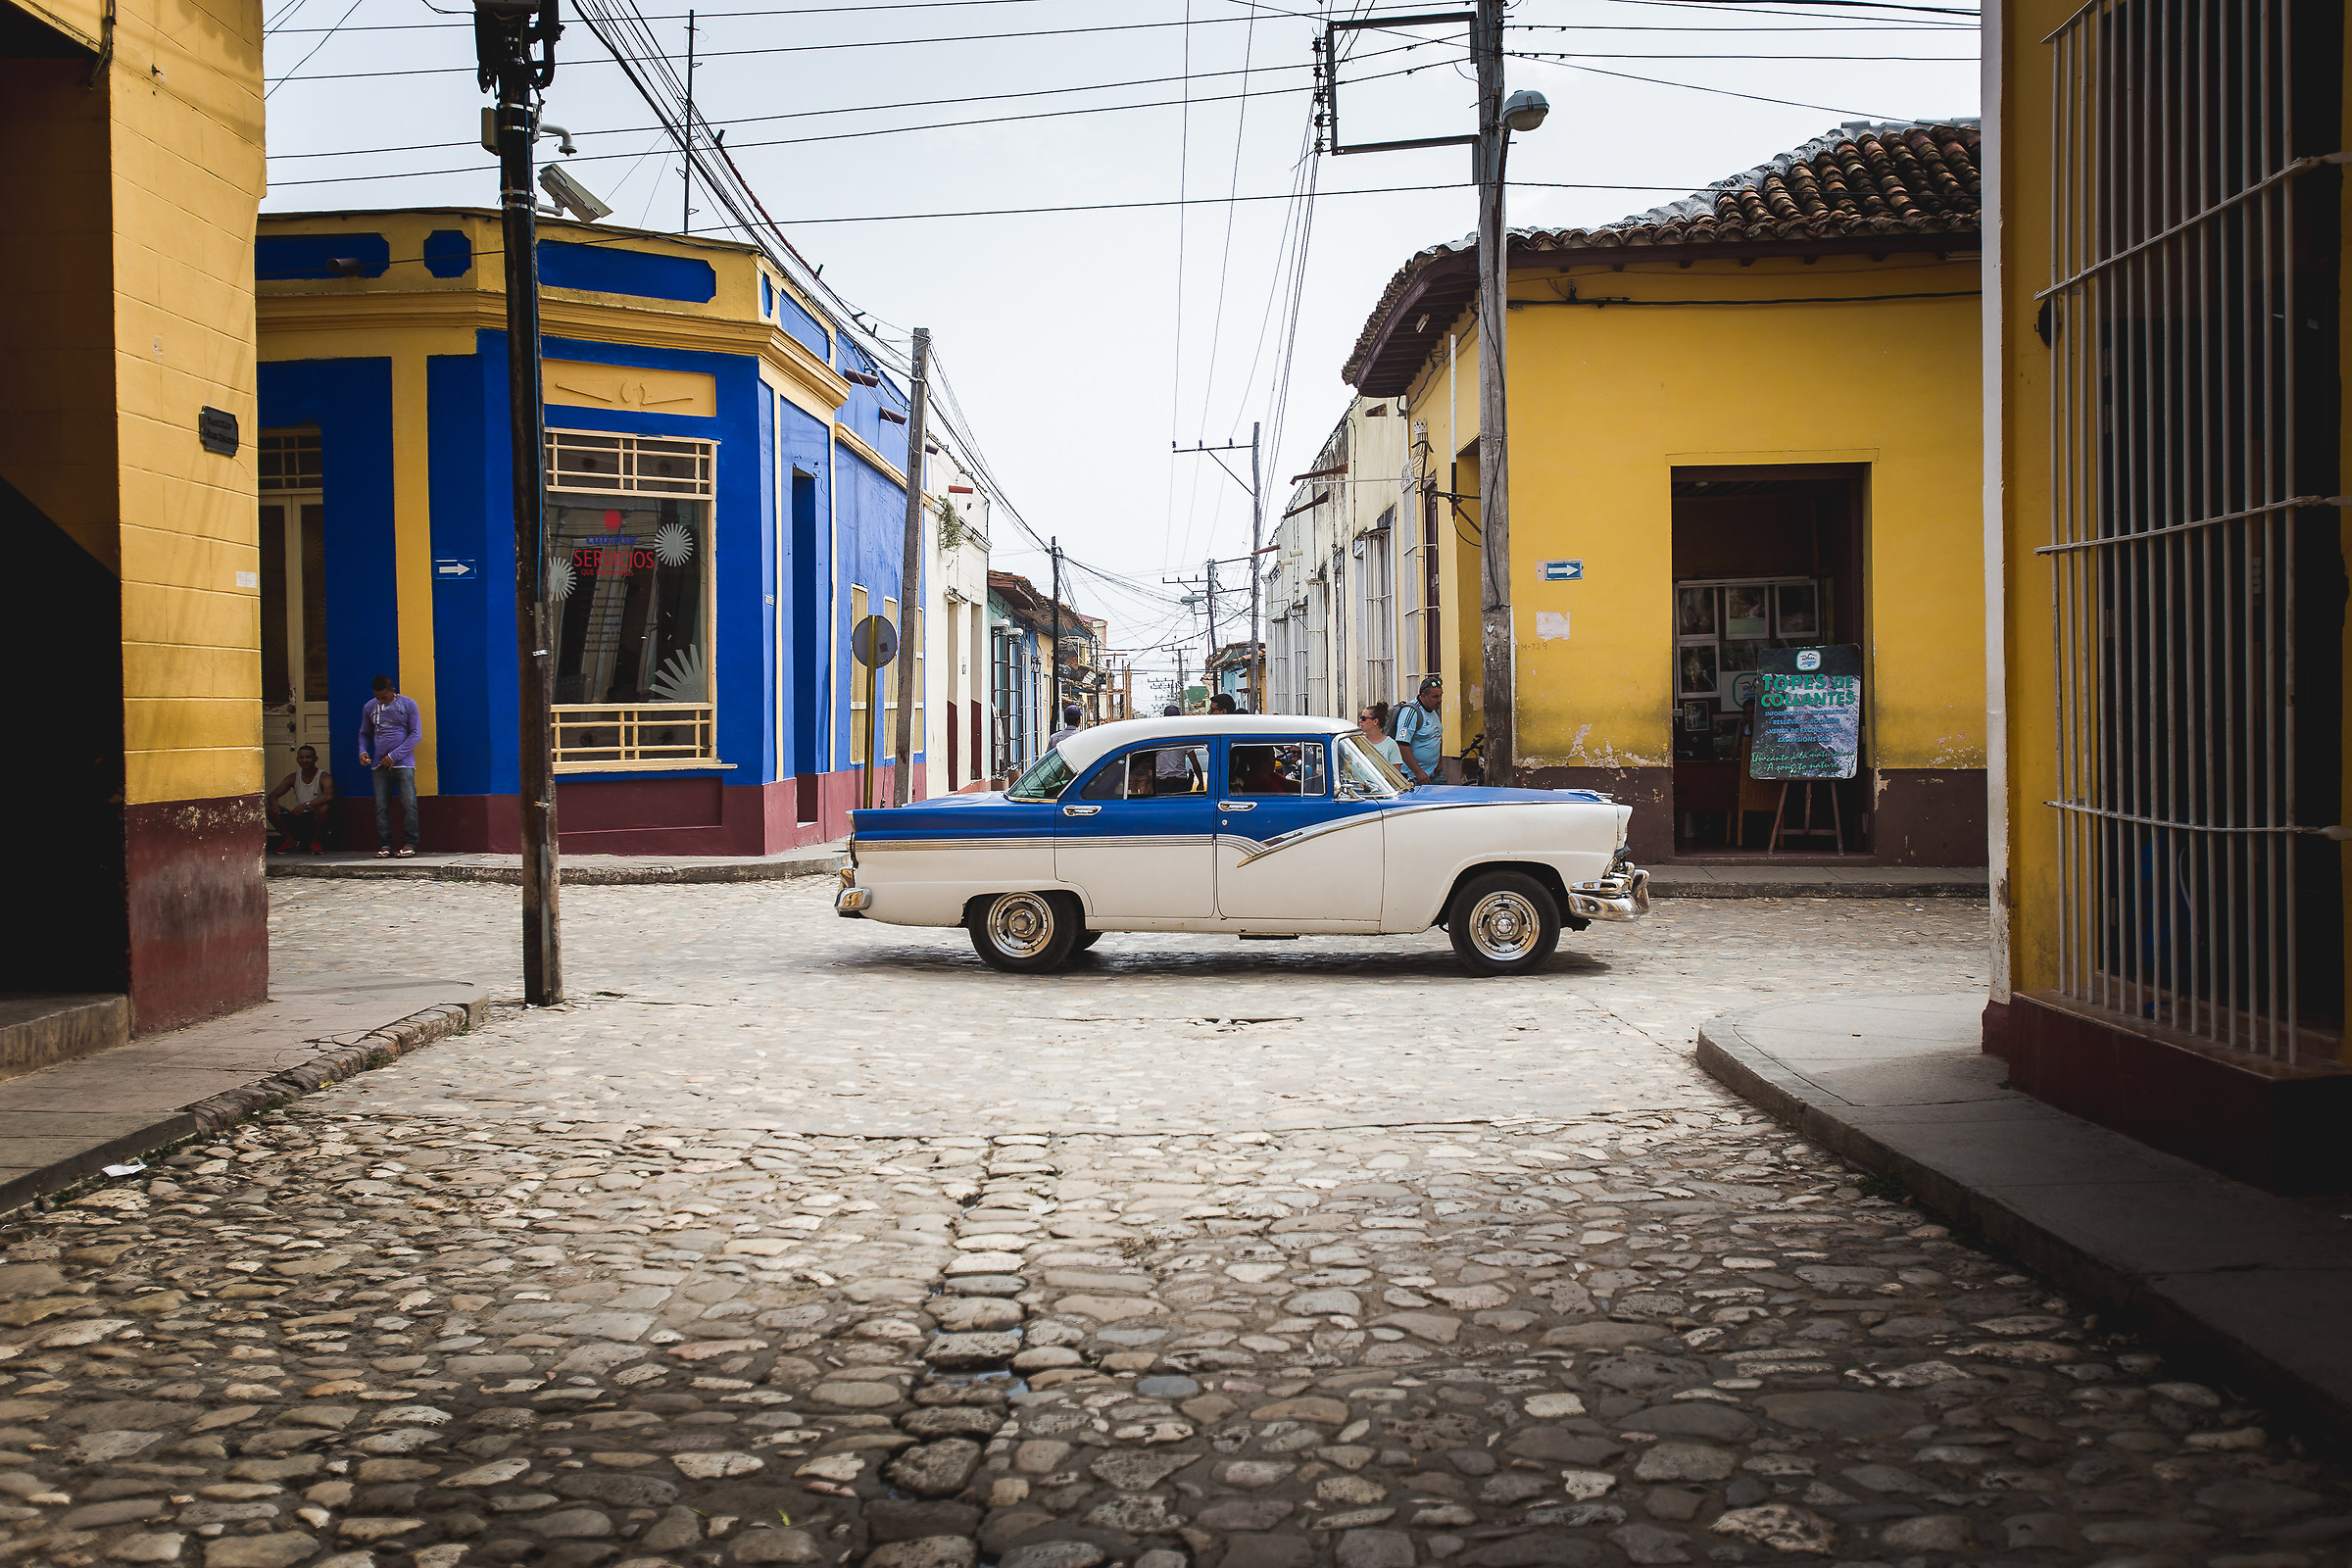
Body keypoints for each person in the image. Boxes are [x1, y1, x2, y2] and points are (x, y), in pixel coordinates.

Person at [358, 674, 422, 858]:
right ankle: (385, 845)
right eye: (378, 697)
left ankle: (409, 843)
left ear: (393, 691)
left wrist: (394, 756)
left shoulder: (408, 705)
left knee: (409, 803)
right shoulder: (370, 707)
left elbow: (416, 734)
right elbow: (364, 733)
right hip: (379, 765)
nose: (381, 701)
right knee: (380, 805)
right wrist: (362, 751)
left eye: (384, 697)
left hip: (403, 764)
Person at [266, 745, 335, 854]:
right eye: (301, 757)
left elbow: (328, 795)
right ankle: (290, 841)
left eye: (308, 757)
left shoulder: (323, 777)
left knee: (323, 807)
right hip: (298, 818)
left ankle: (315, 842)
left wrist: (305, 805)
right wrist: (274, 803)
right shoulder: (293, 777)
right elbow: (272, 795)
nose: (304, 760)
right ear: (297, 760)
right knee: (269, 807)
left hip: (315, 820)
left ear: (315, 759)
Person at [1392, 675, 1445, 785]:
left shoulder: (1434, 709)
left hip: (1434, 773)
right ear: (1424, 696)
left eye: (1440, 696)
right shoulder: (1411, 712)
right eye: (1435, 697)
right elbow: (1402, 745)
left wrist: (1439, 762)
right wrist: (1418, 772)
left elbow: (1436, 736)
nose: (1439, 700)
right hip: (1415, 777)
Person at [1357, 703, 1405, 771]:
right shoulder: (1357, 741)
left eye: (1363, 718)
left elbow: (1396, 775)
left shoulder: (1391, 745)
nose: (1360, 721)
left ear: (1375, 721)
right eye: (1360, 718)